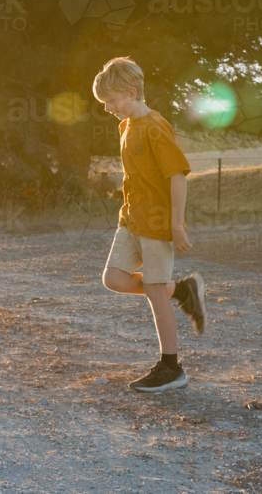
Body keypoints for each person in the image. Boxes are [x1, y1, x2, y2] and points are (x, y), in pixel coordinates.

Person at [92, 57, 208, 392]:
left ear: (131, 92)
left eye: (111, 101)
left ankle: (171, 368)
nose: (108, 108)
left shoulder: (156, 127)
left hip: (157, 223)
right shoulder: (125, 125)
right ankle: (183, 290)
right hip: (131, 219)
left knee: (155, 293)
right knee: (114, 278)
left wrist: (176, 225)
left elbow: (177, 177)